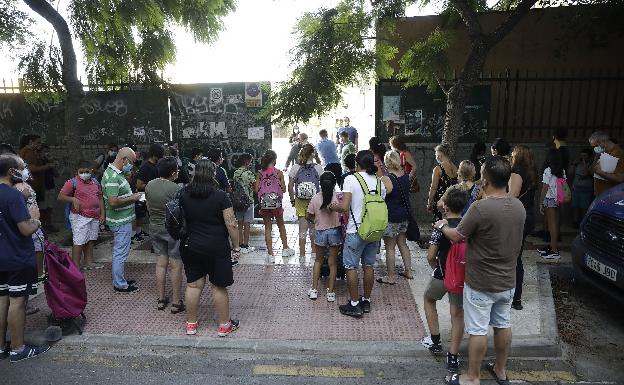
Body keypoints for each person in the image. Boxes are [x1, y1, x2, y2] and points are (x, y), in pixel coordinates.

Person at [435, 156, 526, 385]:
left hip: (481, 282)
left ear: (484, 180)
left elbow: (457, 237)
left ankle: (472, 377)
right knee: (503, 324)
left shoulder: (480, 208)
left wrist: (443, 225)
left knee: (477, 330)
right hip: (508, 280)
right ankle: (501, 370)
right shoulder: (518, 206)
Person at [179, 160, 240, 336]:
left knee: (193, 285)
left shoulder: (183, 194)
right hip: (217, 247)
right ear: (213, 174)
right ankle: (224, 325)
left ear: (195, 173)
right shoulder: (221, 196)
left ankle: (191, 324)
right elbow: (232, 224)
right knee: (219, 286)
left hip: (191, 245)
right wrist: (236, 246)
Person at [328, 150, 392, 318]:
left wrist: (331, 206)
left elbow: (344, 207)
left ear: (357, 164)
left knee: (351, 267)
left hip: (355, 231)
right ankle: (366, 301)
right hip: (374, 230)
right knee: (369, 266)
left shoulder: (351, 179)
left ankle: (354, 304)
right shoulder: (379, 182)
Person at [0, 155, 50, 362]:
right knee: (17, 302)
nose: (26, 171)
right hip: (17, 257)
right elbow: (25, 228)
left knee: (1, 300)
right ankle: (18, 349)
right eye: (23, 168)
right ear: (12, 172)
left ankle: (1, 346)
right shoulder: (13, 196)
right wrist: (36, 222)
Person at [421, 187, 468, 374]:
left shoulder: (441, 225)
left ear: (446, 206)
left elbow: (431, 255)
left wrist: (436, 270)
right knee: (457, 314)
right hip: (462, 276)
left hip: (442, 273)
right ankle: (453, 356)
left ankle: (434, 340)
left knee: (428, 298)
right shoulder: (468, 225)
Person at [145, 157, 185, 314]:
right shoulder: (176, 189)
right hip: (172, 229)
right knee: (176, 265)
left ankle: (161, 299)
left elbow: (148, 205)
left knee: (160, 264)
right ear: (174, 172)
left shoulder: (149, 185)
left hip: (154, 227)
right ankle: (176, 302)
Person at [102, 147, 144, 293]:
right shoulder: (113, 176)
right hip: (120, 221)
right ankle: (120, 284)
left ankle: (120, 279)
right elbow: (113, 201)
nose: (131, 165)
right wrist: (133, 197)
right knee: (120, 252)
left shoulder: (114, 173)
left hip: (121, 220)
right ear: (124, 160)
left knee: (120, 251)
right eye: (131, 162)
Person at [58, 160, 105, 270]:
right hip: (79, 217)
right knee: (79, 241)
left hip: (94, 216)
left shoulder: (95, 182)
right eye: (81, 172)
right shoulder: (72, 183)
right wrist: (73, 199)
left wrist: (102, 213)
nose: (84, 174)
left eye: (87, 171)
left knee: (90, 239)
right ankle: (75, 266)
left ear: (92, 171)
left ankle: (89, 262)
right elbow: (60, 197)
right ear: (77, 172)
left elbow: (100, 198)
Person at [508, 145, 537, 310]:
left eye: (513, 152)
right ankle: (516, 298)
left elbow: (513, 195)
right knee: (517, 257)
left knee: (513, 258)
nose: (511, 154)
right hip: (528, 217)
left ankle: (514, 298)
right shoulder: (531, 172)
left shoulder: (517, 171)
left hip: (517, 217)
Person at [376, 150, 412, 285]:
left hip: (391, 216)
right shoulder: (405, 176)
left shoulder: (386, 179)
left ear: (386, 162)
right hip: (404, 215)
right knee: (402, 243)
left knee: (390, 247)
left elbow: (380, 196)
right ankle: (408, 271)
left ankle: (390, 276)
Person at [306, 171, 343, 302]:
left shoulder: (315, 198)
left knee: (318, 261)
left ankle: (314, 290)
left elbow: (308, 215)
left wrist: (314, 219)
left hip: (320, 232)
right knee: (332, 264)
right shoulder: (339, 197)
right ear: (334, 184)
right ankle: (331, 293)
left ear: (320, 184)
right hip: (334, 232)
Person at [256, 150, 295, 263]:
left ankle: (270, 254)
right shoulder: (278, 173)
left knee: (268, 227)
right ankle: (285, 248)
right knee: (281, 225)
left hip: (264, 204)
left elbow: (256, 189)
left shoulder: (259, 173)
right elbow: (283, 189)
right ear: (274, 160)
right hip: (276, 203)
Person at [288, 144, 324, 262]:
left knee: (302, 229)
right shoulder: (318, 168)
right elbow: (324, 185)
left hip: (300, 202)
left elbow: (290, 185)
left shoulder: (295, 168)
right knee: (313, 229)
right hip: (315, 202)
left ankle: (302, 255)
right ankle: (314, 253)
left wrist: (292, 199)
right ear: (313, 154)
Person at [13, 158, 45, 284]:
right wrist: (22, 196)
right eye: (23, 169)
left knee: (38, 248)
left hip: (35, 223)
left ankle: (39, 274)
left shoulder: (27, 185)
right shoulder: (14, 188)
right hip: (25, 224)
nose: (26, 171)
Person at [18, 134, 53, 231]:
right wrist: (48, 166)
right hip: (32, 185)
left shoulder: (27, 152)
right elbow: (31, 168)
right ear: (30, 142)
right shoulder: (29, 153)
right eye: (38, 142)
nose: (39, 144)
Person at [537, 148, 565, 260]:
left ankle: (554, 251)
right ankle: (552, 247)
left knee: (551, 225)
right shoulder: (561, 170)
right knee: (554, 224)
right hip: (558, 199)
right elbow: (563, 185)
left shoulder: (548, 170)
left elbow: (544, 188)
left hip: (549, 199)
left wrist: (540, 202)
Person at [232, 153, 257, 254]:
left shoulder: (236, 173)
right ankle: (246, 245)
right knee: (247, 224)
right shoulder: (249, 174)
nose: (251, 163)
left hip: (237, 201)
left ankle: (239, 244)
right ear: (247, 162)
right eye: (250, 161)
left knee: (239, 223)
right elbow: (255, 188)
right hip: (248, 201)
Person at [427, 144, 458, 221]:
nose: (436, 156)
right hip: (453, 200)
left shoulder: (438, 169)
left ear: (440, 154)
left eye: (436, 154)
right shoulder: (455, 167)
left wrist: (429, 203)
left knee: (440, 224)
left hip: (441, 202)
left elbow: (433, 188)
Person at [590, 131, 624, 196]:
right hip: (601, 195)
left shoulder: (618, 153)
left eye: (596, 146)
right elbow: (594, 171)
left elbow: (620, 178)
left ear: (603, 141)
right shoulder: (603, 153)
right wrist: (596, 158)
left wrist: (601, 172)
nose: (595, 149)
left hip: (610, 196)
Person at [569, 149, 594, 227]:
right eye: (581, 155)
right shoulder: (577, 164)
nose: (583, 157)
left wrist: (584, 163)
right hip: (576, 189)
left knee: (584, 207)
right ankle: (575, 222)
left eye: (585, 156)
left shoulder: (591, 165)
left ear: (589, 157)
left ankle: (583, 222)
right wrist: (573, 164)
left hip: (586, 190)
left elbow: (585, 173)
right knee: (575, 206)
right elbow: (569, 173)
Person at [38, 144, 59, 233]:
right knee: (42, 208)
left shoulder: (49, 162)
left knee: (50, 207)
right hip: (43, 187)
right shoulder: (39, 162)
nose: (46, 153)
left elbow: (56, 174)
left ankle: (49, 224)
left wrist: (52, 164)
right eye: (44, 151)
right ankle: (42, 226)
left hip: (50, 185)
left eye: (48, 151)